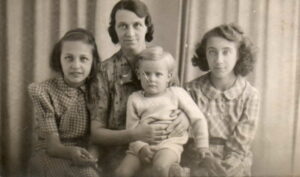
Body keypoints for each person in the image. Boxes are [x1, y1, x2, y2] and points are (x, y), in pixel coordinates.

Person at [88, 0, 189, 176]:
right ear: (115, 30)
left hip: (163, 149)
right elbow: (97, 134)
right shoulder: (104, 71)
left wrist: (185, 119)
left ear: (146, 26)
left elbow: (181, 105)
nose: (130, 33)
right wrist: (135, 135)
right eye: (123, 26)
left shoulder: (163, 62)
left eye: (137, 25)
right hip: (120, 153)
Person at [115, 46, 210, 177]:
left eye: (158, 74)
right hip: (140, 145)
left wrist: (203, 145)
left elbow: (197, 118)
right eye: (147, 74)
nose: (152, 79)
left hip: (168, 144)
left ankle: (177, 171)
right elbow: (131, 129)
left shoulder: (177, 93)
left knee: (160, 167)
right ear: (138, 74)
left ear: (168, 76)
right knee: (122, 172)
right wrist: (141, 148)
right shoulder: (135, 98)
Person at [183, 23, 260, 177]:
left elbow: (239, 147)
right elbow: (186, 135)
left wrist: (223, 169)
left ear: (238, 55)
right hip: (197, 158)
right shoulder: (191, 90)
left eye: (226, 52)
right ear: (205, 54)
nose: (218, 60)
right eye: (212, 52)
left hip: (233, 162)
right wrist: (204, 161)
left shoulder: (250, 95)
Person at [28, 28, 102, 177]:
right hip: (50, 153)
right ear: (59, 60)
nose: (76, 65)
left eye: (83, 59)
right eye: (69, 58)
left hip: (83, 153)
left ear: (93, 62)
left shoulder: (97, 91)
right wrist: (72, 153)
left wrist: (92, 158)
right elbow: (53, 146)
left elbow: (96, 137)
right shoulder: (44, 91)